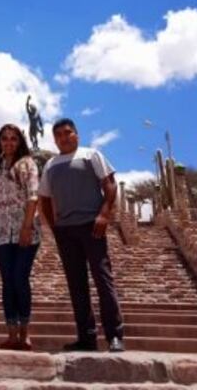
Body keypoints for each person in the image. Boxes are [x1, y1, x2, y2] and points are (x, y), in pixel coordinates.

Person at [38, 118, 124, 352]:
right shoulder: (50, 165)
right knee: (77, 285)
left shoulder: (91, 155)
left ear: (77, 134)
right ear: (54, 139)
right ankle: (86, 337)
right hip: (65, 230)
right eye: (59, 135)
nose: (64, 138)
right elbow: (44, 198)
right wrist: (54, 226)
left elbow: (110, 185)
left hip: (92, 226)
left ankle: (114, 336)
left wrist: (104, 214)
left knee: (102, 280)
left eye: (68, 133)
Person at [0, 124, 41, 350]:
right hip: (1, 233)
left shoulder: (27, 164)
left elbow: (33, 196)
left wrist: (26, 227)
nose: (9, 143)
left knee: (20, 277)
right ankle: (11, 333)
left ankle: (25, 332)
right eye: (4, 139)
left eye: (13, 139)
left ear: (20, 142)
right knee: (8, 282)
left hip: (24, 230)